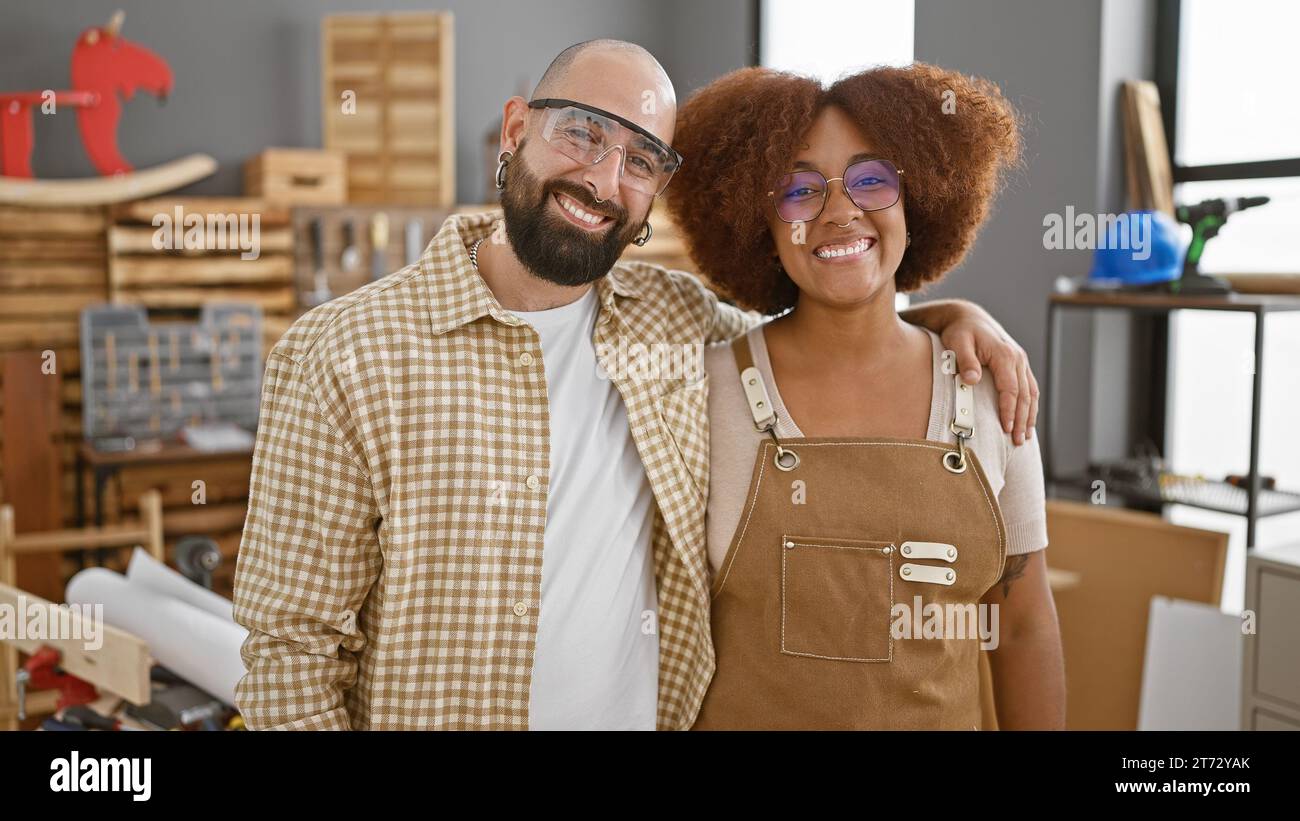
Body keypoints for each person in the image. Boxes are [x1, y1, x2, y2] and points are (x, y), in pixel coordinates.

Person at [232, 40, 1041, 730]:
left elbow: (836, 323)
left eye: (641, 159)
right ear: (516, 130)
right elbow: (290, 654)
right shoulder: (343, 354)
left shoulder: (677, 325)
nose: (602, 179)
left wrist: (951, 317)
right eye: (582, 133)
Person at [663, 64, 1065, 729]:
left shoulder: (990, 388)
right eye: (798, 189)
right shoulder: (701, 391)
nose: (840, 209)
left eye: (871, 179)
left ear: (921, 199)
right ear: (757, 221)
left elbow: (1021, 625)